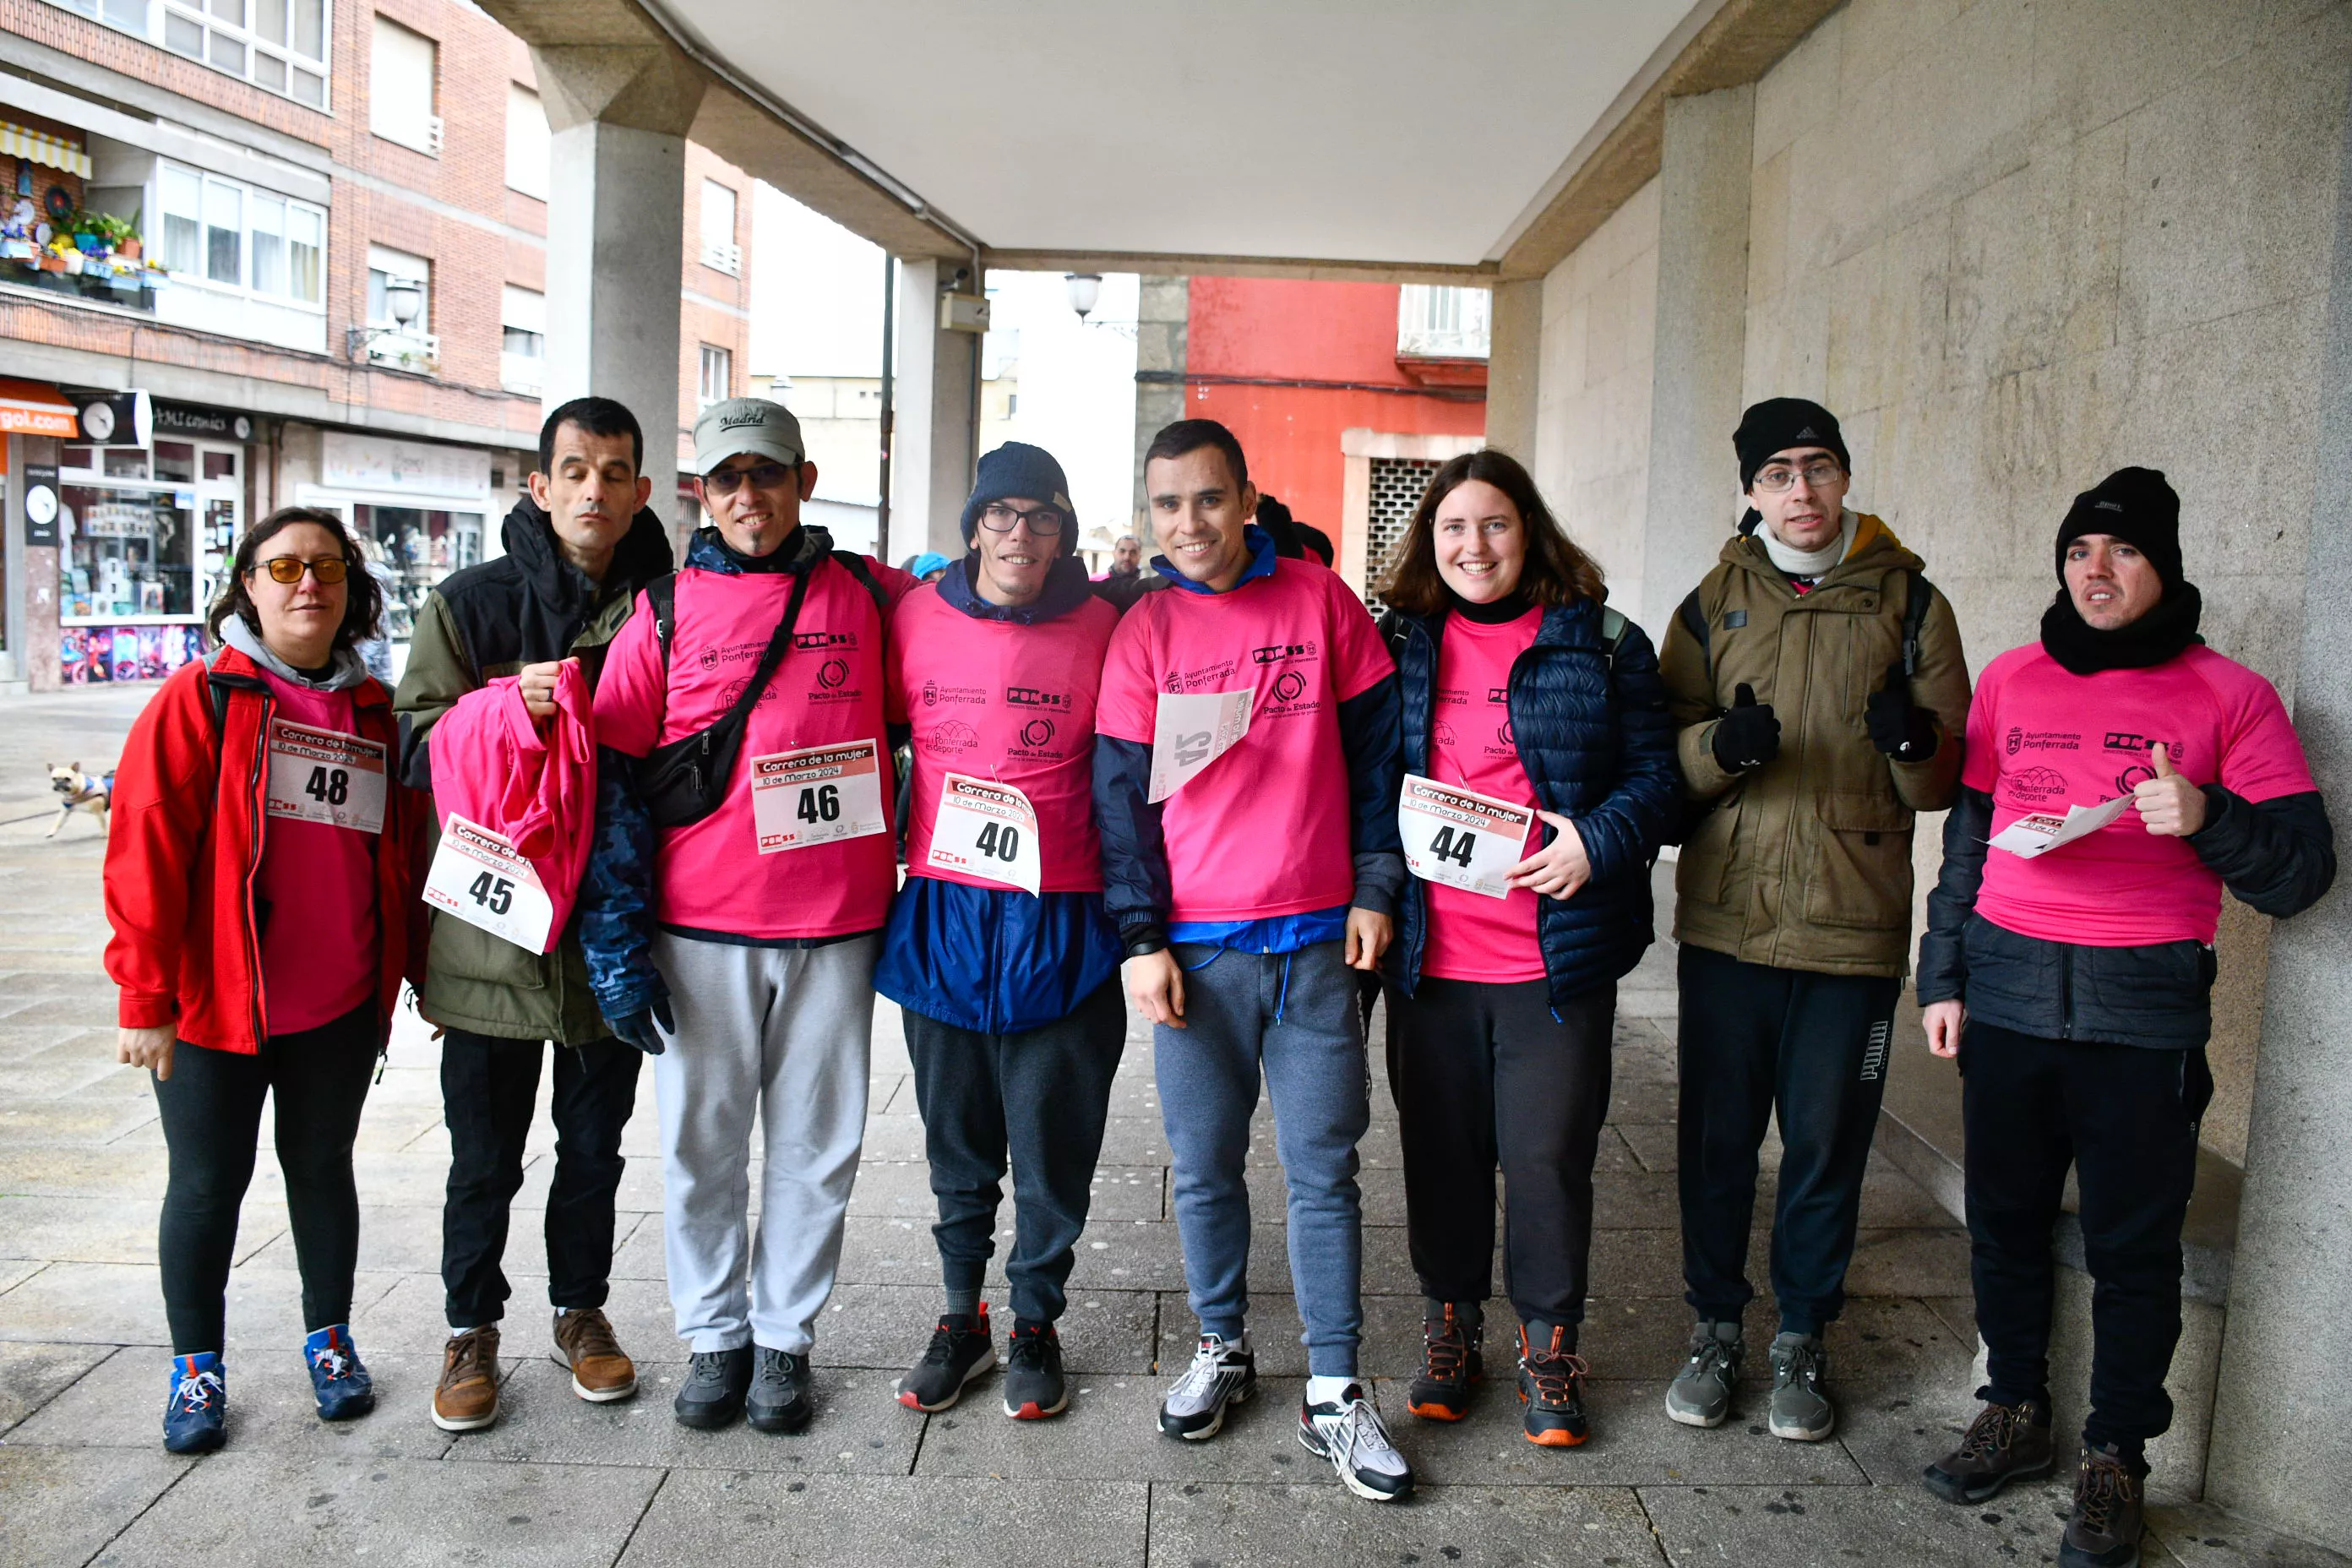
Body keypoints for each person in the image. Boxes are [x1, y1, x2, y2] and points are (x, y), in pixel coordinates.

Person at [1914, 467, 2333, 1568]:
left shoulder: (2229, 698)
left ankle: (2115, 1460)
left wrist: (2208, 817)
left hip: (2141, 1016)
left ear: (2163, 564)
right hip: (2003, 1000)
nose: (2095, 572)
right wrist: (1941, 978)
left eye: (2122, 552)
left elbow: (2298, 875)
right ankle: (2015, 1408)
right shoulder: (2009, 681)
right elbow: (1967, 847)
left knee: (2132, 1249)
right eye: (2078, 552)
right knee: (2002, 1220)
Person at [580, 397, 914, 1435]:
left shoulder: (867, 593)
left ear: (803, 481)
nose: (747, 495)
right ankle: (714, 1334)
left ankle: (784, 1340)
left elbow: (968, 652)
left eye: (765, 474)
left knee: (820, 1142)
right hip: (702, 928)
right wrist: (617, 942)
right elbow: (617, 780)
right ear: (702, 493)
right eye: (726, 478)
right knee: (700, 1143)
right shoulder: (664, 611)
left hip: (837, 926)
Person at [1093, 418, 1413, 1502]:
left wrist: (1377, 882)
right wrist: (1140, 939)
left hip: (1318, 939)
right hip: (1196, 952)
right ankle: (1222, 1343)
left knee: (1326, 1167)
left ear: (1247, 497)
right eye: (1168, 505)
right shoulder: (1143, 630)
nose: (1190, 523)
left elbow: (1378, 754)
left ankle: (1333, 1386)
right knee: (1206, 1165)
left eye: (1210, 499)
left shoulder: (1320, 600)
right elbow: (1118, 805)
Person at [1656, 397, 1972, 1441]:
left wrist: (1914, 741)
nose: (1803, 490)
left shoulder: (1912, 602)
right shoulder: (1711, 604)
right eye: (1780, 472)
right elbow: (1664, 761)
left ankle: (1800, 1333)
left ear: (1845, 478)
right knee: (1716, 1139)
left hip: (1853, 922)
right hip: (1730, 921)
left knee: (1827, 1141)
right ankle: (1714, 1324)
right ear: (1751, 489)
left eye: (1820, 468)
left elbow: (1943, 784)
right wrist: (1717, 749)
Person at [104, 506, 428, 1453]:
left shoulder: (373, 707)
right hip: (215, 1007)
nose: (306, 585)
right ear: (248, 582)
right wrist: (145, 998)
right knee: (207, 1185)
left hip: (335, 1002)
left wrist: (412, 968)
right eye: (283, 567)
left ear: (351, 588)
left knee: (322, 1173)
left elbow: (400, 850)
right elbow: (143, 851)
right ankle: (195, 1367)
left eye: (325, 567)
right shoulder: (203, 697)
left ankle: (329, 1339)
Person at [1374, 450, 1678, 1446]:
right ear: (1432, 540)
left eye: (1495, 524)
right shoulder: (1403, 644)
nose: (1475, 546)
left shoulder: (1601, 642)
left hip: (1553, 959)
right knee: (1441, 1154)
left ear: (1529, 530)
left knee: (1548, 1158)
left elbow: (1658, 776)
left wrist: (1597, 839)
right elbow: (1368, 784)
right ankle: (1451, 1325)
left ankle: (1551, 1343)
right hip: (1434, 958)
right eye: (1455, 527)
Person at [393, 398, 674, 1433]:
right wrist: (511, 708)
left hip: (612, 937)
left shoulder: (671, 605)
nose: (593, 489)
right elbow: (415, 745)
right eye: (574, 470)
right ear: (539, 484)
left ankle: (581, 1312)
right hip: (490, 932)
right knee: (484, 1154)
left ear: (643, 490)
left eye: (615, 471)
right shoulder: (471, 603)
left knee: (594, 1148)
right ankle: (471, 1328)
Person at [875, 443, 1124, 1421]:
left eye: (1043, 516)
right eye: (1003, 514)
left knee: (1057, 1141)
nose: (1021, 533)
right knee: (956, 1141)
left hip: (1064, 915)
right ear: (975, 524)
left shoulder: (1107, 624)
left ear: (1064, 531)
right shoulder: (913, 615)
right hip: (944, 910)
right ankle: (959, 1316)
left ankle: (1035, 1318)